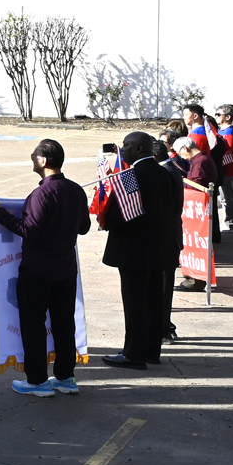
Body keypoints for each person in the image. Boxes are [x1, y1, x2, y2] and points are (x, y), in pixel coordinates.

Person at [0, 139, 90, 396]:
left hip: (38, 270)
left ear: (43, 160)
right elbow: (84, 228)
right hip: (66, 269)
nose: (31, 158)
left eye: (34, 155)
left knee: (33, 325)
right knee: (64, 324)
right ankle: (65, 377)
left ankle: (38, 380)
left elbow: (27, 230)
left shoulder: (40, 194)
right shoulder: (76, 190)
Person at [98, 130, 185, 370]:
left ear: (138, 149)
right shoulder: (166, 173)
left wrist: (105, 218)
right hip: (159, 248)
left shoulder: (132, 175)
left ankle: (134, 354)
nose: (122, 149)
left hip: (134, 250)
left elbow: (123, 213)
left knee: (135, 303)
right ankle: (150, 350)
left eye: (126, 145)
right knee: (153, 302)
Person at [171, 135, 221, 294]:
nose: (181, 157)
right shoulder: (200, 160)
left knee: (196, 246)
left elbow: (196, 186)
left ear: (185, 148)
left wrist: (183, 184)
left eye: (180, 153)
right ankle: (192, 278)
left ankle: (195, 281)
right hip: (197, 208)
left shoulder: (201, 161)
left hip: (198, 208)